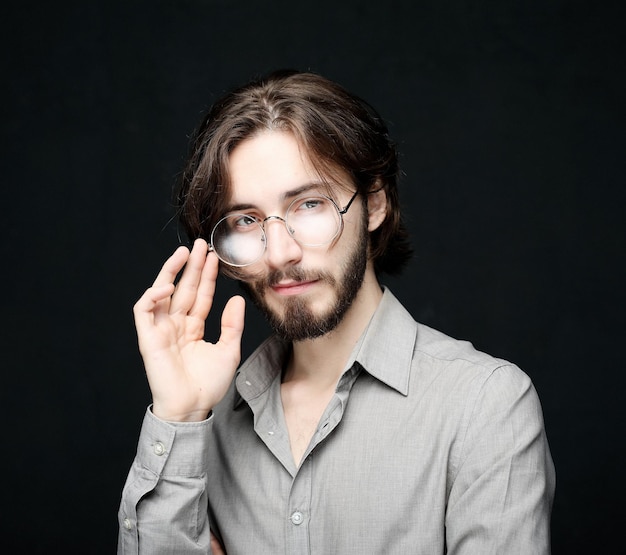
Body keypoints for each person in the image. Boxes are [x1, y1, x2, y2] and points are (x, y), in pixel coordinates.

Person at [117, 70, 555, 554]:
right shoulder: (206, 422)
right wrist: (178, 417)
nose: (280, 253)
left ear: (374, 203)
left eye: (309, 204)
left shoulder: (484, 406)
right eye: (247, 220)